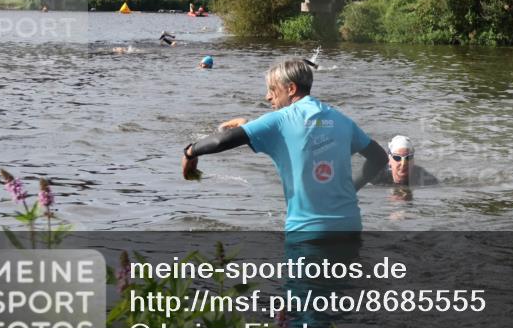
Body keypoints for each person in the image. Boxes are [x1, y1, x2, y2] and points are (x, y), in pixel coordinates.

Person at [181, 58, 389, 234]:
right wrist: (351, 189)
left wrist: (190, 152)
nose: (267, 96)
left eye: (272, 89)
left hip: (307, 231)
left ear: (291, 89)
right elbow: (380, 158)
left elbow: (221, 141)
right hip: (350, 225)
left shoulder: (280, 120)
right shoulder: (339, 119)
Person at [357, 135, 438, 188]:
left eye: (408, 157)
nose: (403, 163)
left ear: (413, 160)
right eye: (397, 158)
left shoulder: (426, 179)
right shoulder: (377, 178)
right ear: (389, 160)